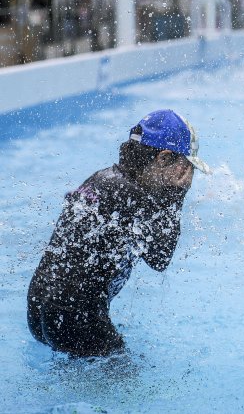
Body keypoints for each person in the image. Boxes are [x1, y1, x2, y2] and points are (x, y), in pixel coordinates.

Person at [27, 110, 210, 357]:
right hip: (77, 316)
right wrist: (175, 197)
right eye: (186, 167)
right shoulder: (131, 193)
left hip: (41, 305)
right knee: (127, 387)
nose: (188, 177)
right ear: (164, 158)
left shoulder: (106, 179)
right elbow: (160, 258)